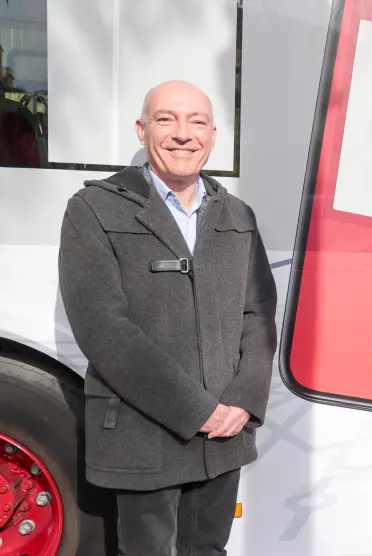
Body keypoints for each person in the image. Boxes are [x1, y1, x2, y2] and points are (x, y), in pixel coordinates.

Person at [57, 80, 278, 555]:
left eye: (197, 122)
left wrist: (242, 400)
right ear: (142, 130)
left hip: (223, 435)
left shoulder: (238, 215)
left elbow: (258, 313)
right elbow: (103, 328)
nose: (183, 134)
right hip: (143, 435)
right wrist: (196, 410)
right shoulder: (93, 209)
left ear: (212, 136)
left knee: (209, 550)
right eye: (166, 120)